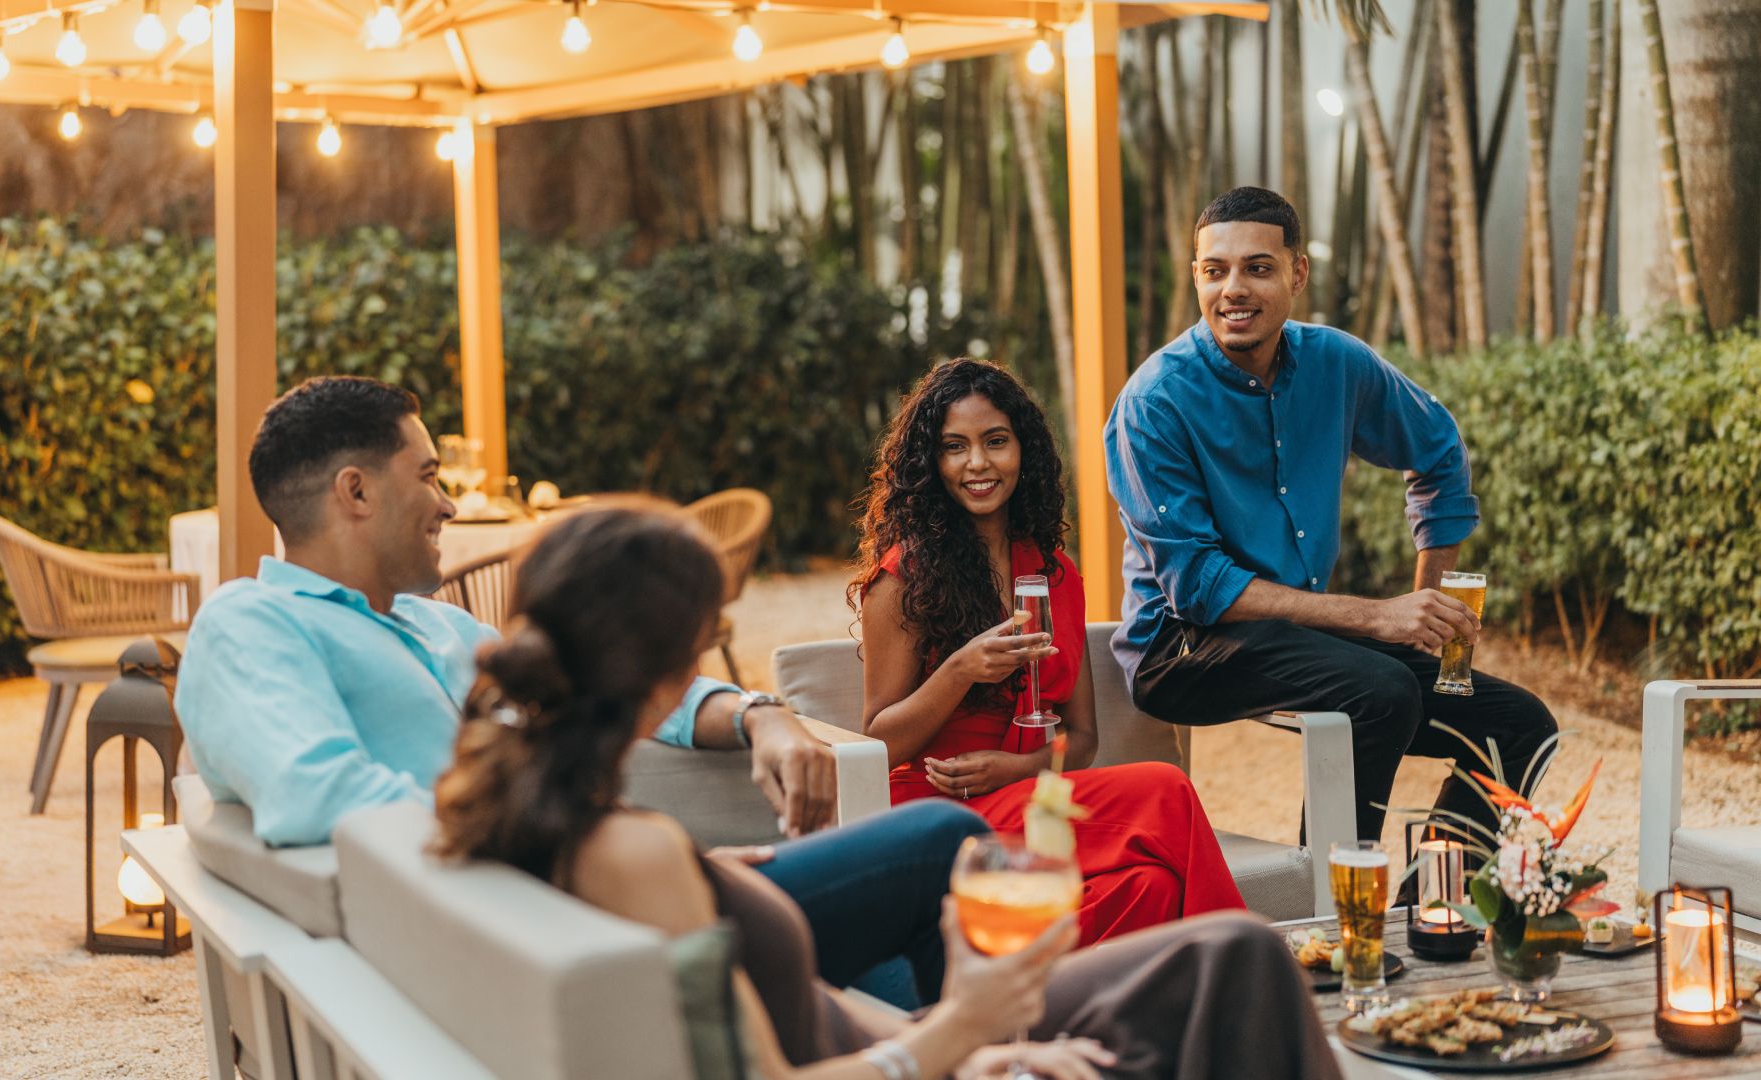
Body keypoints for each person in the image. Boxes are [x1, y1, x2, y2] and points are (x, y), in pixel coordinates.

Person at [436, 501, 1342, 1080]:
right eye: (707, 636)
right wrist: (959, 1034)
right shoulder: (631, 858)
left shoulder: (516, 810)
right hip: (917, 1052)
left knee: (1218, 960)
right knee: (1236, 957)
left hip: (890, 1037)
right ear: (669, 673)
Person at [175, 375, 986, 1003]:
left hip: (594, 904)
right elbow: (319, 795)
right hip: (539, 937)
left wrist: (760, 716)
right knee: (941, 841)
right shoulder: (252, 623)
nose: (448, 503)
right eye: (427, 476)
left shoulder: (436, 624)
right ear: (355, 492)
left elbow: (608, 684)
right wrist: (598, 855)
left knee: (911, 941)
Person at [1105, 186, 1558, 845]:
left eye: (1258, 267)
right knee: (1381, 691)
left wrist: (1426, 608)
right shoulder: (1155, 401)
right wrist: (1379, 617)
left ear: (1297, 274)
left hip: (1298, 634)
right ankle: (1335, 897)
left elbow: (1438, 449)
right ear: (1196, 276)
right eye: (1215, 270)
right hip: (1180, 646)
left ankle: (1433, 891)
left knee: (1521, 727)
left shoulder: (1335, 363)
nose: (1233, 289)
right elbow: (1199, 587)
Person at [850, 358, 1245, 946]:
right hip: (940, 815)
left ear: (1023, 450)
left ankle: (1061, 994)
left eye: (996, 441)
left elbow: (1081, 739)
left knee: (1150, 886)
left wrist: (1014, 768)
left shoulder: (1055, 574)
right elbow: (877, 745)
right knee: (1167, 790)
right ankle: (1248, 965)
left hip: (1030, 795)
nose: (977, 463)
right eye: (955, 446)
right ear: (931, 462)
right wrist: (960, 669)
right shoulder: (904, 577)